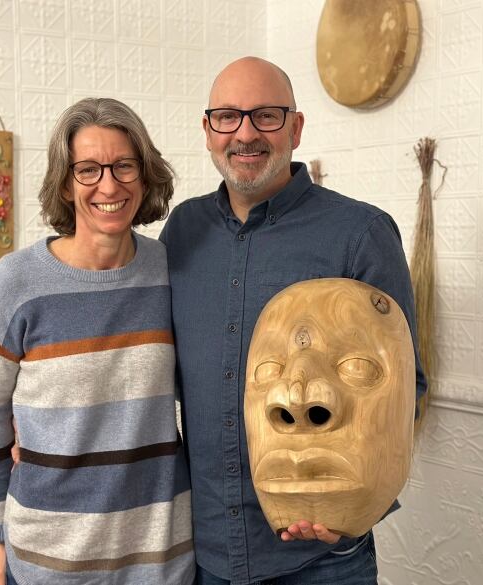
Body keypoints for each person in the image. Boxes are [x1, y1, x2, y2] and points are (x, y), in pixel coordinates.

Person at [159, 56, 427, 585]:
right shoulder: (181, 232)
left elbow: (405, 383)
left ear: (296, 128)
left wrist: (359, 508)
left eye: (267, 116)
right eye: (228, 118)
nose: (246, 134)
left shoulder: (361, 232)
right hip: (205, 553)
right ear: (208, 131)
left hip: (323, 562)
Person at [0, 97, 195, 585]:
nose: (109, 185)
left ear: (145, 173)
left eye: (123, 166)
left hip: (161, 559)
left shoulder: (171, 271)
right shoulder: (17, 281)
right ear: (65, 182)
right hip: (49, 562)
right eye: (89, 170)